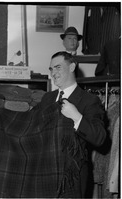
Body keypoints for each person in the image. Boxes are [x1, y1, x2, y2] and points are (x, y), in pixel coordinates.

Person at [38, 51, 107, 197]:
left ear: (71, 67)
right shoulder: (47, 98)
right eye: (51, 69)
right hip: (44, 173)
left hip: (72, 178)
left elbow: (99, 138)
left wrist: (77, 117)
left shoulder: (89, 100)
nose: (53, 73)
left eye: (57, 67)